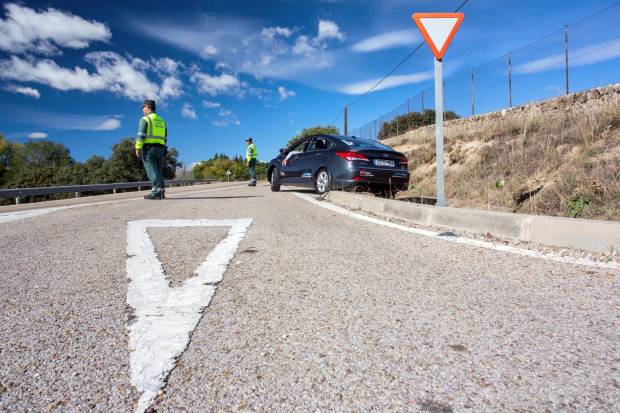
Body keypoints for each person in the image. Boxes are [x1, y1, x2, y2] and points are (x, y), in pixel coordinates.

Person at [135, 99, 167, 200]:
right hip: (161, 148)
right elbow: (165, 137)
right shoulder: (162, 121)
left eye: (143, 107)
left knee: (151, 170)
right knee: (158, 170)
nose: (142, 109)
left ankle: (156, 191)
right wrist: (164, 147)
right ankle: (161, 191)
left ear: (148, 107)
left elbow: (141, 135)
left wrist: (138, 147)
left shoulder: (145, 119)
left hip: (149, 149)